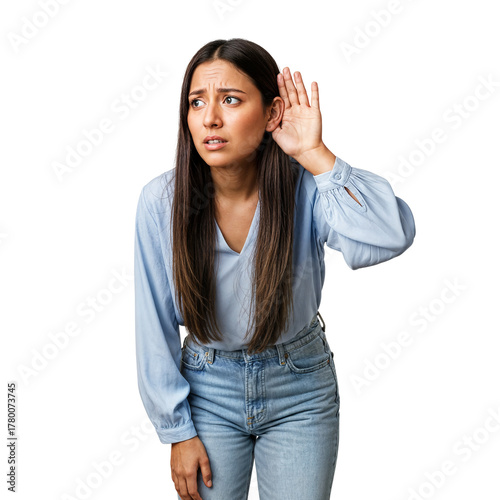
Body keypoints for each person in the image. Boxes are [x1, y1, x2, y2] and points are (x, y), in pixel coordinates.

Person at [134, 38, 416, 500]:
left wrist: (315, 154)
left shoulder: (306, 187)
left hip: (299, 386)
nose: (210, 118)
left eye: (230, 100)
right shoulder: (161, 201)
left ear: (271, 114)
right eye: (196, 102)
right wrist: (176, 430)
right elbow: (153, 324)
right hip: (207, 390)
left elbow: (391, 234)